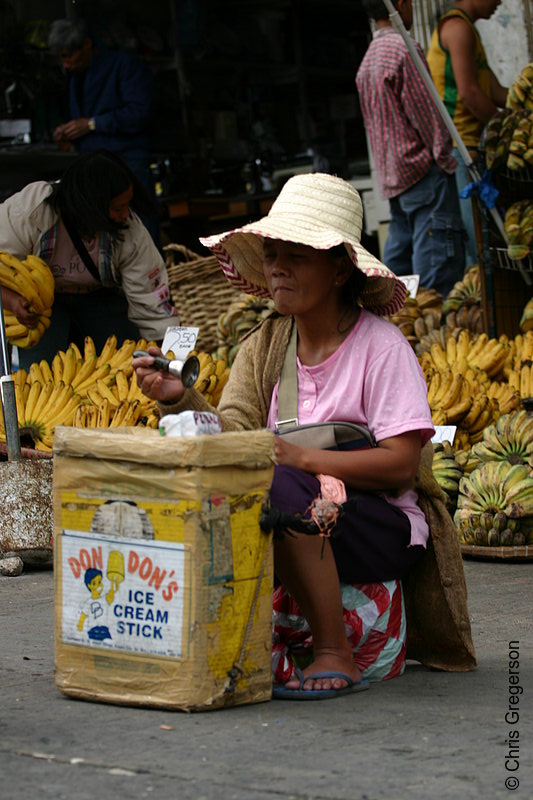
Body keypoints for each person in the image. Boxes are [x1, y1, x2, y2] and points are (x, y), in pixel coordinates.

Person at [133, 172, 476, 699]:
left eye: (297, 255)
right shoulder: (264, 345)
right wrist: (180, 396)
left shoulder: (382, 349)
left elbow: (401, 465)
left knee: (280, 482)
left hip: (378, 527)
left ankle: (336, 650)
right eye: (272, 253)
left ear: (341, 269)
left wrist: (300, 459)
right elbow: (236, 435)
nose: (277, 268)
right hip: (300, 512)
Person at [0, 150, 178, 371]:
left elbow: (151, 300)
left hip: (102, 300)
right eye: (117, 208)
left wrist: (170, 358)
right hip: (41, 308)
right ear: (92, 206)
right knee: (39, 373)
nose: (125, 214)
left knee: (120, 367)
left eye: (127, 206)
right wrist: (13, 302)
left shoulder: (130, 232)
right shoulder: (31, 212)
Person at [356, 0, 465, 298]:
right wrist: (445, 161)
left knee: (399, 271)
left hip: (395, 181)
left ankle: (399, 328)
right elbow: (429, 117)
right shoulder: (405, 50)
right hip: (422, 174)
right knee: (435, 272)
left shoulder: (368, 60)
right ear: (400, 3)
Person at [427, 0, 509, 266]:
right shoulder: (457, 28)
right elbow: (470, 95)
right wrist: (504, 131)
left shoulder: (469, 31)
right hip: (461, 148)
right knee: (479, 243)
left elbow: (494, 91)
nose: (499, 2)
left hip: (474, 146)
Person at [47, 18, 153, 191]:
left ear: (87, 44)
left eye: (68, 56)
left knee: (135, 215)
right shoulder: (76, 76)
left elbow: (139, 113)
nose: (66, 64)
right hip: (92, 162)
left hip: (126, 161)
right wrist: (69, 134)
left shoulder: (124, 65)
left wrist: (91, 124)